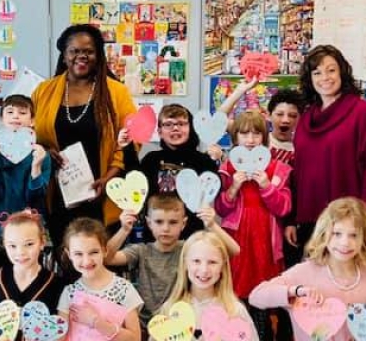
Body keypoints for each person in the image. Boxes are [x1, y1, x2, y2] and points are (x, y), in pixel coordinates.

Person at [32, 24, 137, 247]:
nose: (81, 56)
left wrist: (110, 175)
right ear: (64, 55)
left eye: (88, 51)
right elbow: (28, 133)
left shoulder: (116, 92)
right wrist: (43, 151)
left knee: (98, 259)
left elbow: (132, 138)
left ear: (98, 55)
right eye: (74, 51)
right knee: (66, 258)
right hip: (58, 193)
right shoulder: (44, 91)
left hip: (103, 191)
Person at [106, 194, 239, 334]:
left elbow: (234, 250)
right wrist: (124, 230)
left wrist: (212, 225)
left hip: (179, 326)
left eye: (173, 222)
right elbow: (107, 258)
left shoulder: (189, 248)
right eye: (159, 222)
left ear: (183, 223)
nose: (165, 228)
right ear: (149, 223)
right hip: (145, 326)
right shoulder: (141, 251)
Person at [249, 197, 366, 341]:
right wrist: (293, 292)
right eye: (337, 233)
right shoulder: (303, 272)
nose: (345, 243)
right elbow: (256, 297)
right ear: (323, 234)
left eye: (354, 235)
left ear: (364, 238)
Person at [293, 44, 366, 264]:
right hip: (311, 221)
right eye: (317, 72)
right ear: (310, 80)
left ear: (342, 73)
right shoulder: (306, 118)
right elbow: (298, 170)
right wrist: (292, 219)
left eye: (331, 70)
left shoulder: (364, 112)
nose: (324, 78)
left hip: (349, 224)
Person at [215, 110, 292, 340]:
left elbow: (284, 208)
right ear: (235, 137)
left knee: (265, 288)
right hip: (236, 238)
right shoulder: (227, 168)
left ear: (265, 137)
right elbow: (220, 208)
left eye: (256, 133)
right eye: (244, 133)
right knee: (236, 287)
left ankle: (267, 332)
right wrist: (233, 188)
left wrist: (267, 186)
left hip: (266, 240)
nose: (250, 139)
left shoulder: (278, 168)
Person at [0, 95, 51, 274]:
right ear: (2, 119)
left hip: (30, 230)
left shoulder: (41, 154)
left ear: (32, 120)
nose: (16, 117)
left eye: (22, 112)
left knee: (28, 274)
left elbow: (37, 196)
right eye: (10, 112)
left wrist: (36, 166)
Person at [136, 104, 220, 239]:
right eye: (168, 124)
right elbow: (134, 184)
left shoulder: (202, 160)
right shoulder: (151, 159)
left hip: (191, 234)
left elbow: (215, 185)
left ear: (190, 128)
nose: (175, 128)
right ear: (160, 132)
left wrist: (216, 160)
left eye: (181, 123)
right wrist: (127, 148)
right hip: (155, 236)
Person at [158, 231, 258, 341]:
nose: (204, 270)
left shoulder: (235, 311)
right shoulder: (171, 309)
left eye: (212, 262)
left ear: (222, 266)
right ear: (185, 263)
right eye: (196, 261)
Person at [58, 218, 143, 341]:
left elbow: (135, 338)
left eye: (93, 252)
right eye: (78, 254)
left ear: (105, 250)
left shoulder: (124, 290)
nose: (87, 261)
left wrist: (96, 322)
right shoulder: (69, 293)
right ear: (69, 254)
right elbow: (61, 337)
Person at [0, 210, 65, 318]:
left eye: (29, 244)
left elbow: (57, 326)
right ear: (4, 244)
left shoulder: (56, 285)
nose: (21, 252)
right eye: (13, 246)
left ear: (42, 242)